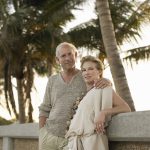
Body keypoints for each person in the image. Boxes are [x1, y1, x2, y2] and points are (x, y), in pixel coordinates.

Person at [38, 42, 111, 150]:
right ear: (58, 60)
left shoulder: (86, 76)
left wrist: (107, 81)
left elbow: (100, 87)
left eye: (70, 54)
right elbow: (45, 109)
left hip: (72, 139)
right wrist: (41, 133)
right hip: (49, 136)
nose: (67, 58)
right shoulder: (52, 80)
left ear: (75, 56)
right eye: (63, 56)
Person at [65, 55, 131, 150]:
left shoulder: (104, 88)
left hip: (93, 142)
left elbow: (126, 108)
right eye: (83, 70)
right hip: (75, 143)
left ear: (99, 71)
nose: (86, 73)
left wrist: (103, 112)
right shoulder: (83, 94)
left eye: (90, 69)